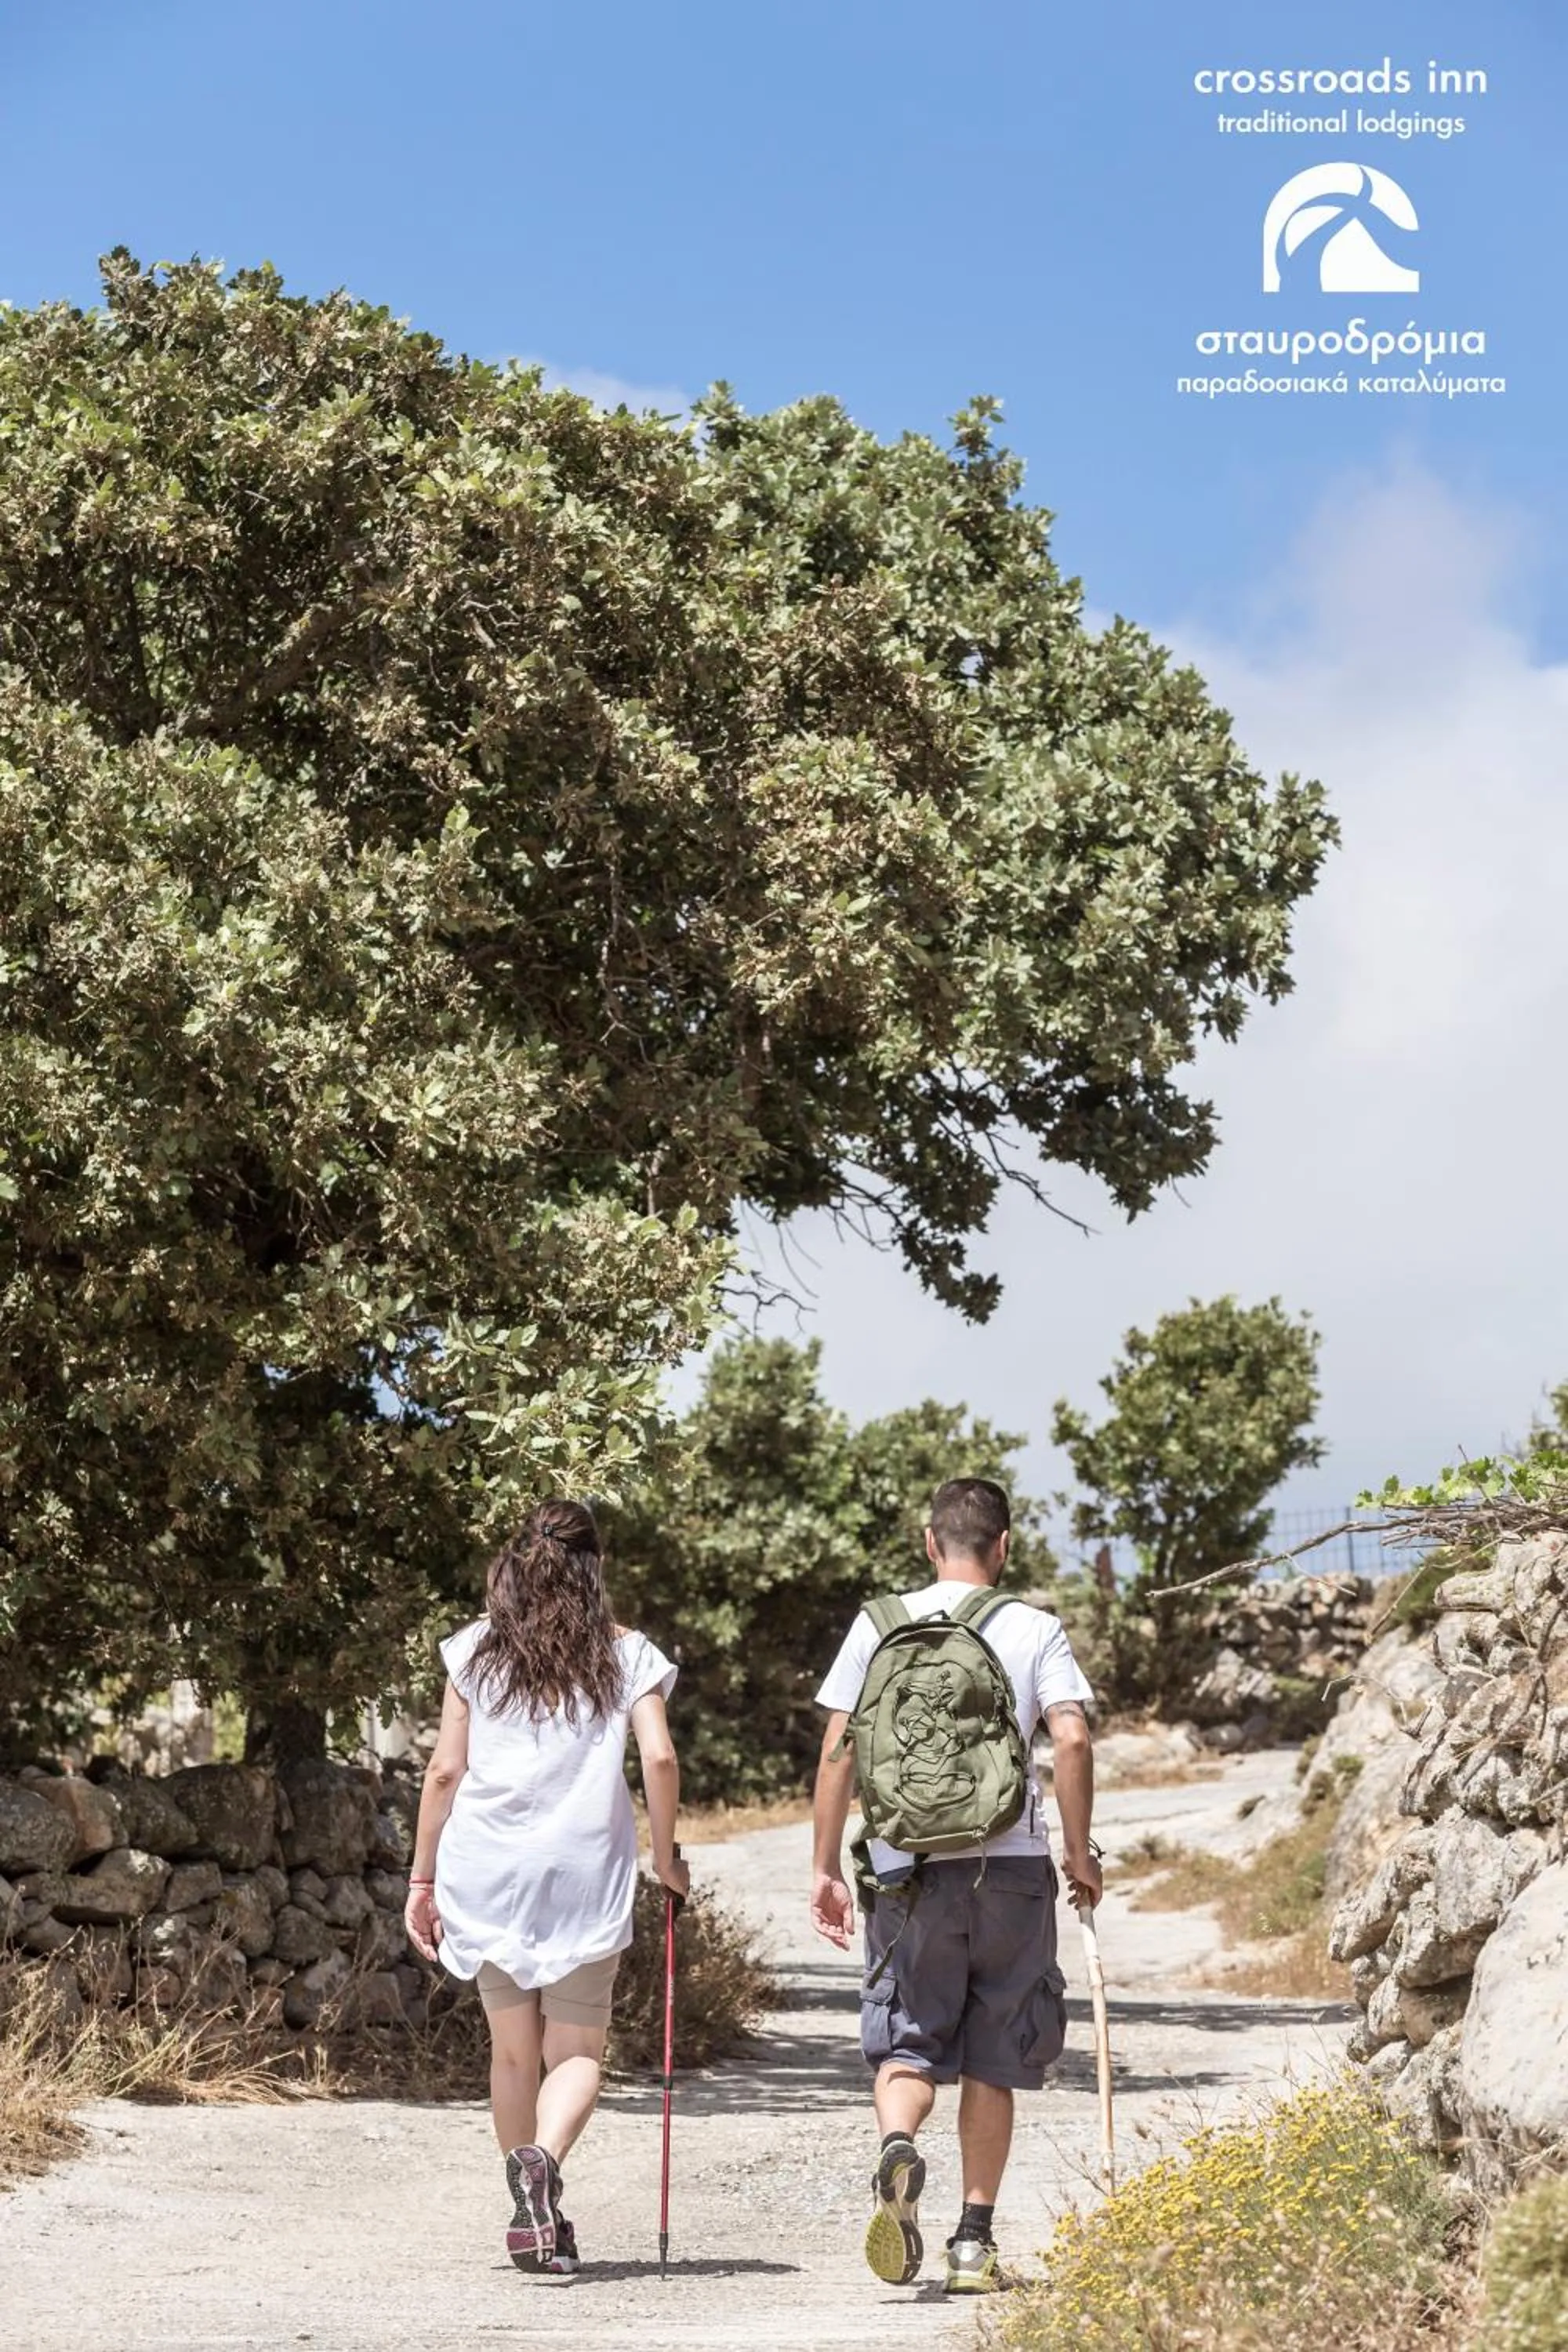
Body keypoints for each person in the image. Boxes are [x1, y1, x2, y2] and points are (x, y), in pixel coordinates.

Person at [811, 1476, 1102, 2296]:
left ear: (928, 1541)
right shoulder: (1033, 1627)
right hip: (1009, 1868)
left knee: (906, 2041)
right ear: (1002, 1546)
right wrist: (1077, 1853)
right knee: (994, 2056)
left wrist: (824, 1866)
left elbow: (837, 1751)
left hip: (907, 1871)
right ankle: (972, 2242)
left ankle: (898, 2144)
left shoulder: (877, 1625)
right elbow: (1071, 1738)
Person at [404, 1497, 689, 2276]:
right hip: (581, 1869)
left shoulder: (473, 1650)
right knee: (576, 2051)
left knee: (510, 2056)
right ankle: (543, 2164)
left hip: (486, 1865)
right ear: (595, 1565)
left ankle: (530, 2208)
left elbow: (444, 1771)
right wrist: (665, 1856)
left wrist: (421, 1876)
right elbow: (659, 1760)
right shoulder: (630, 1655)